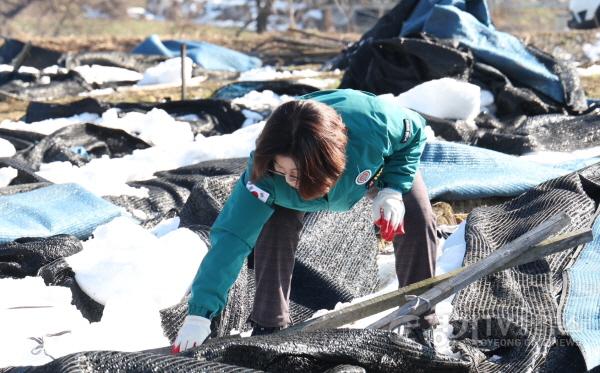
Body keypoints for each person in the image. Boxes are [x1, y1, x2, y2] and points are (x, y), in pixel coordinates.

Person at [172, 89, 437, 352]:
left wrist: (393, 188)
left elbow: (414, 132)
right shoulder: (265, 175)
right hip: (317, 180)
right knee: (274, 222)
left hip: (370, 168)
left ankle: (419, 318)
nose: (288, 180)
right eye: (281, 169)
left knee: (418, 216)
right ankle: (270, 325)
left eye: (296, 173)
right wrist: (200, 313)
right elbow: (231, 240)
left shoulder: (375, 124)